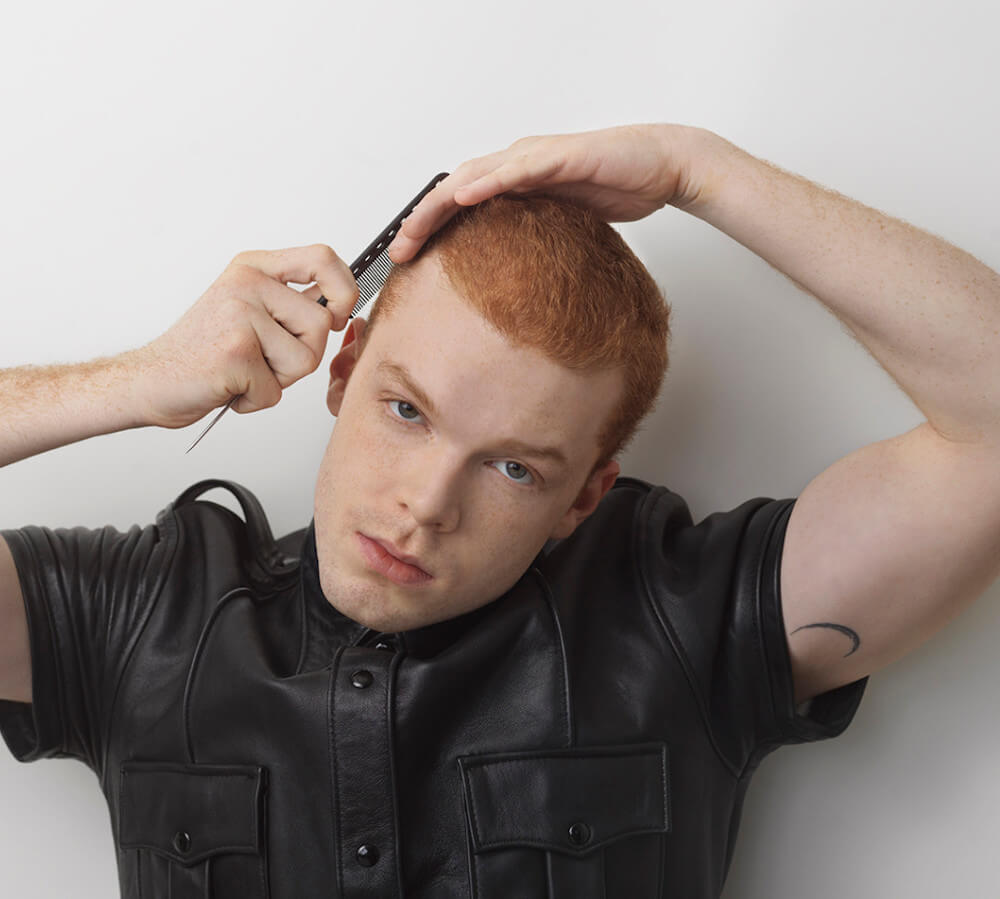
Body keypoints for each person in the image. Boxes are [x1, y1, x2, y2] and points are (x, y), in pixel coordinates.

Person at [0, 122, 997, 898]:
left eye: (514, 468)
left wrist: (701, 171)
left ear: (583, 496)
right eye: (405, 410)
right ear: (343, 371)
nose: (424, 505)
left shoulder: (681, 620)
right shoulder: (140, 620)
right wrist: (134, 381)